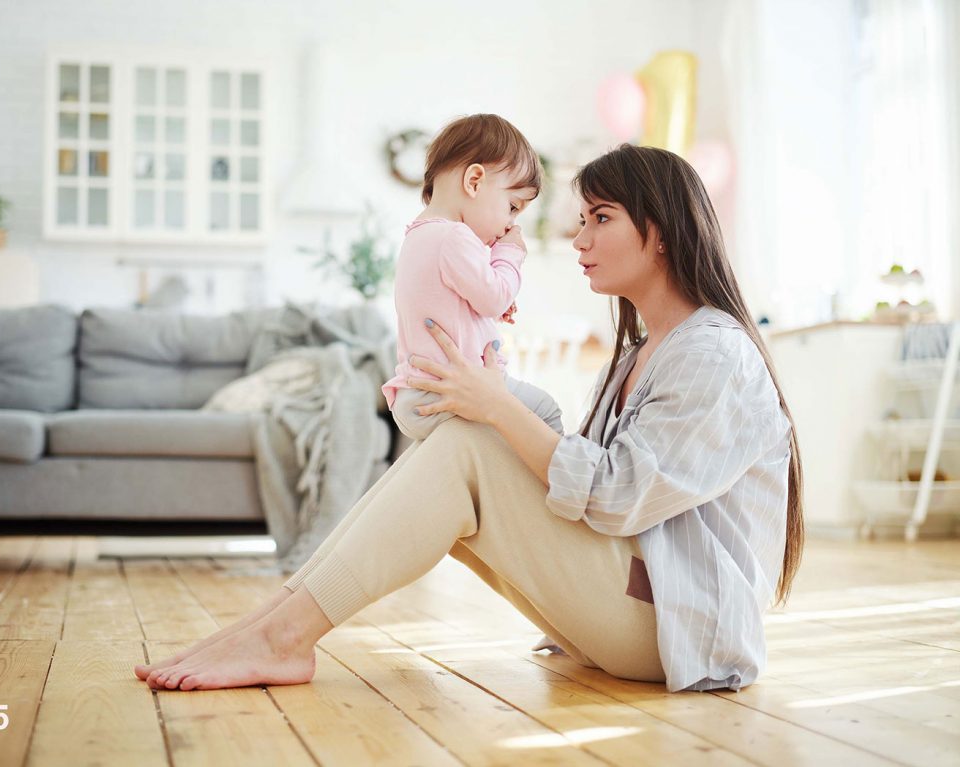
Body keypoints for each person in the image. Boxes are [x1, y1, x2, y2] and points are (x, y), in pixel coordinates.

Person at [134, 143, 803, 694]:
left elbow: (616, 498)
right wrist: (493, 405)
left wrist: (497, 404)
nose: (578, 238)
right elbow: (590, 490)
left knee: (472, 439)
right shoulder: (637, 355)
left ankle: (282, 635)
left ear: (657, 232)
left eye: (599, 218)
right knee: (468, 434)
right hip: (634, 607)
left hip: (675, 626)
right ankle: (275, 622)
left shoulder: (715, 354)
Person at [381, 113, 564, 440]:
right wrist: (511, 253)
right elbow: (494, 297)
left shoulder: (419, 237)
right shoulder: (454, 237)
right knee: (546, 411)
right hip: (450, 392)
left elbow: (469, 302)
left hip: (417, 393)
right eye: (512, 206)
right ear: (474, 181)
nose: (510, 225)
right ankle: (550, 491)